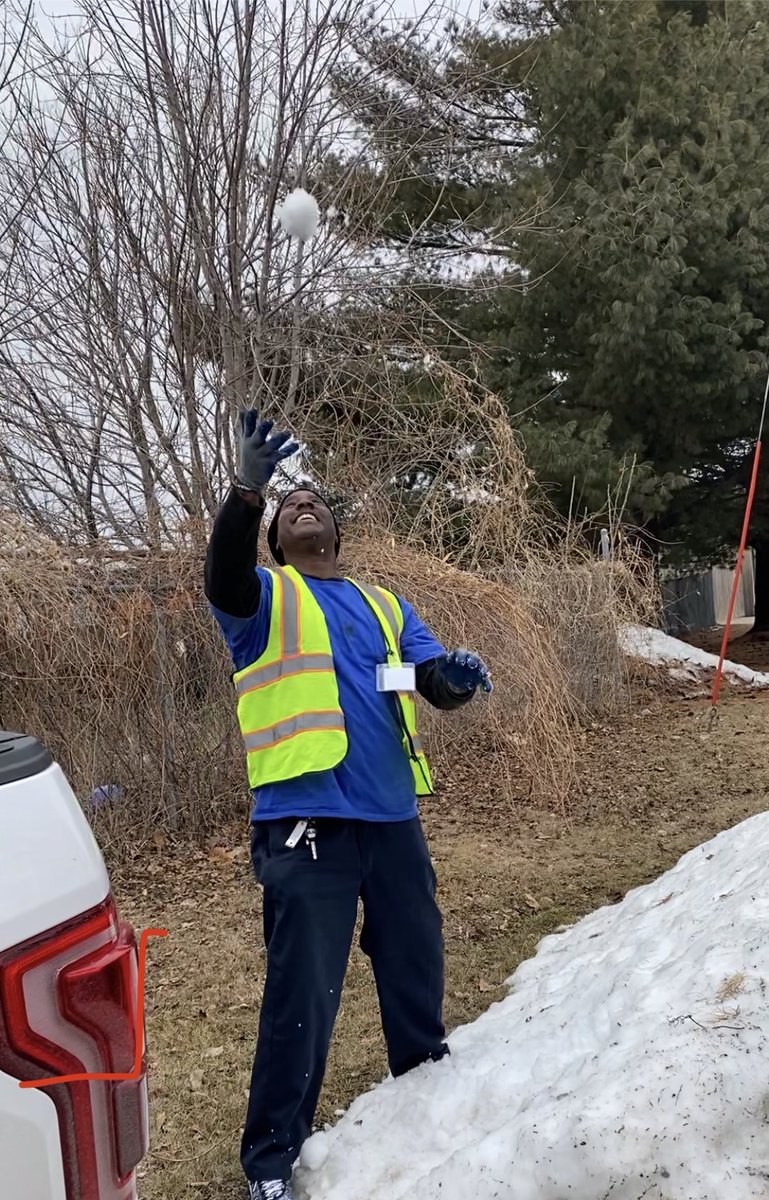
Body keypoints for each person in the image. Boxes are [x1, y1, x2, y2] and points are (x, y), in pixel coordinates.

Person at [204, 412, 493, 1200]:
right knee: (303, 989)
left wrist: (456, 677)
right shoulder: (261, 598)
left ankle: (421, 1089)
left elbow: (427, 680)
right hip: (306, 821)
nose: (304, 506)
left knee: (413, 961)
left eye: (316, 503)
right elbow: (221, 576)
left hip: (392, 818)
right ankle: (269, 1160)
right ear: (276, 536)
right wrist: (245, 491)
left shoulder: (385, 607)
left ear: (335, 530)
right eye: (288, 506)